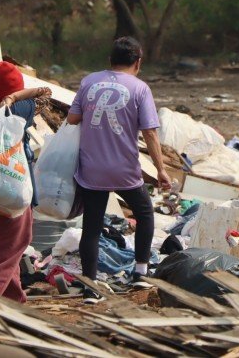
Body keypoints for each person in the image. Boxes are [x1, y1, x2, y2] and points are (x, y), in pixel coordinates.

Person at [67, 37, 171, 303]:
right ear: (138, 62)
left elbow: (72, 119)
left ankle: (90, 287)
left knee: (91, 227)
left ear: (109, 61)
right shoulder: (140, 88)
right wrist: (161, 170)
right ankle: (140, 273)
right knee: (145, 214)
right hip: (124, 170)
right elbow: (150, 132)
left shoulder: (89, 81)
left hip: (92, 169)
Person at [0, 61, 50, 303]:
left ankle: (14, 305)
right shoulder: (18, 111)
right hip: (11, 200)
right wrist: (14, 97)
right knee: (2, 261)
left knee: (0, 257)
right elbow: (44, 93)